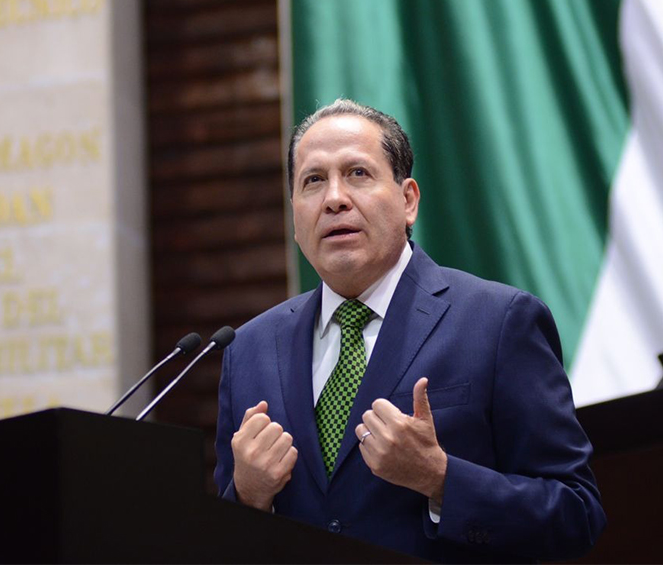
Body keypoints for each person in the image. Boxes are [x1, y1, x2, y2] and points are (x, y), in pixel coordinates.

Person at [214, 99, 605, 563]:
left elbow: (576, 513)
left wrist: (440, 478)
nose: (334, 198)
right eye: (313, 181)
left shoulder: (499, 321)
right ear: (295, 218)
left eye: (358, 173)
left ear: (408, 201)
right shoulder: (248, 350)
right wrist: (247, 497)